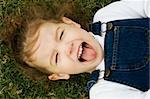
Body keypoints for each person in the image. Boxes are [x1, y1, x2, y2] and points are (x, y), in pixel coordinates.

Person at [11, 0, 150, 98]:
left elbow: (144, 4)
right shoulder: (103, 91)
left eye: (61, 35)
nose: (67, 47)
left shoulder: (107, 17)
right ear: (60, 75)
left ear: (70, 23)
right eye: (56, 57)